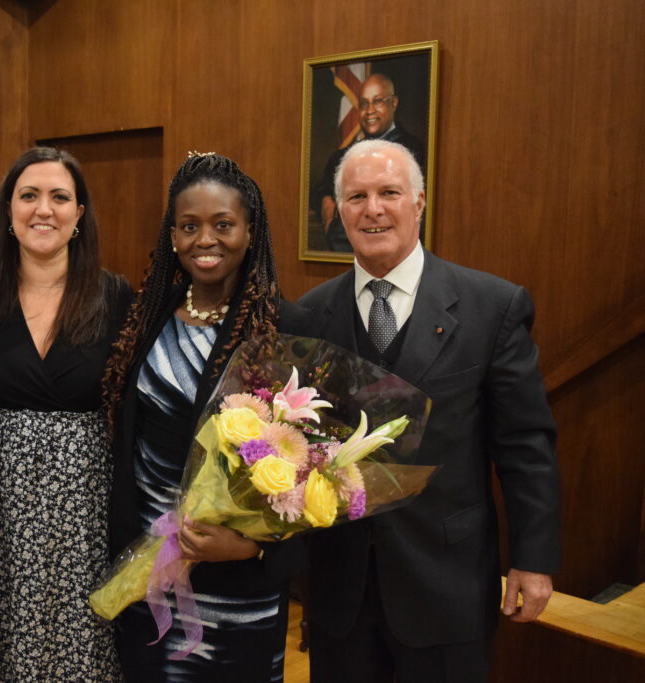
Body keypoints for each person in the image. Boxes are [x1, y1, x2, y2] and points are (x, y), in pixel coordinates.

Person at [297, 139, 559, 682]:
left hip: (447, 584)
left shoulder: (493, 307)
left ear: (419, 202)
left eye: (389, 192)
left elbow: (524, 446)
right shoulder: (310, 314)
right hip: (339, 592)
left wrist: (532, 559)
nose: (373, 209)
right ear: (338, 210)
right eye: (356, 197)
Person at [103, 152, 309, 681]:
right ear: (172, 234)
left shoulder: (281, 329)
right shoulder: (145, 316)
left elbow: (311, 471)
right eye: (189, 226)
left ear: (249, 229)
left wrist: (253, 548)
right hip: (144, 575)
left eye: (223, 225)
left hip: (236, 585)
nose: (205, 240)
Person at [0, 147, 130, 681]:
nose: (43, 209)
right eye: (28, 196)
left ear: (80, 214)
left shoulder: (117, 298)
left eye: (59, 197)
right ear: (8, 211)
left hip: (85, 518)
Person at [312, 73, 427, 251]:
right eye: (364, 103)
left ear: (394, 103)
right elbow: (323, 185)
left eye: (378, 101)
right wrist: (325, 196)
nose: (370, 110)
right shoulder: (341, 157)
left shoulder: (412, 150)